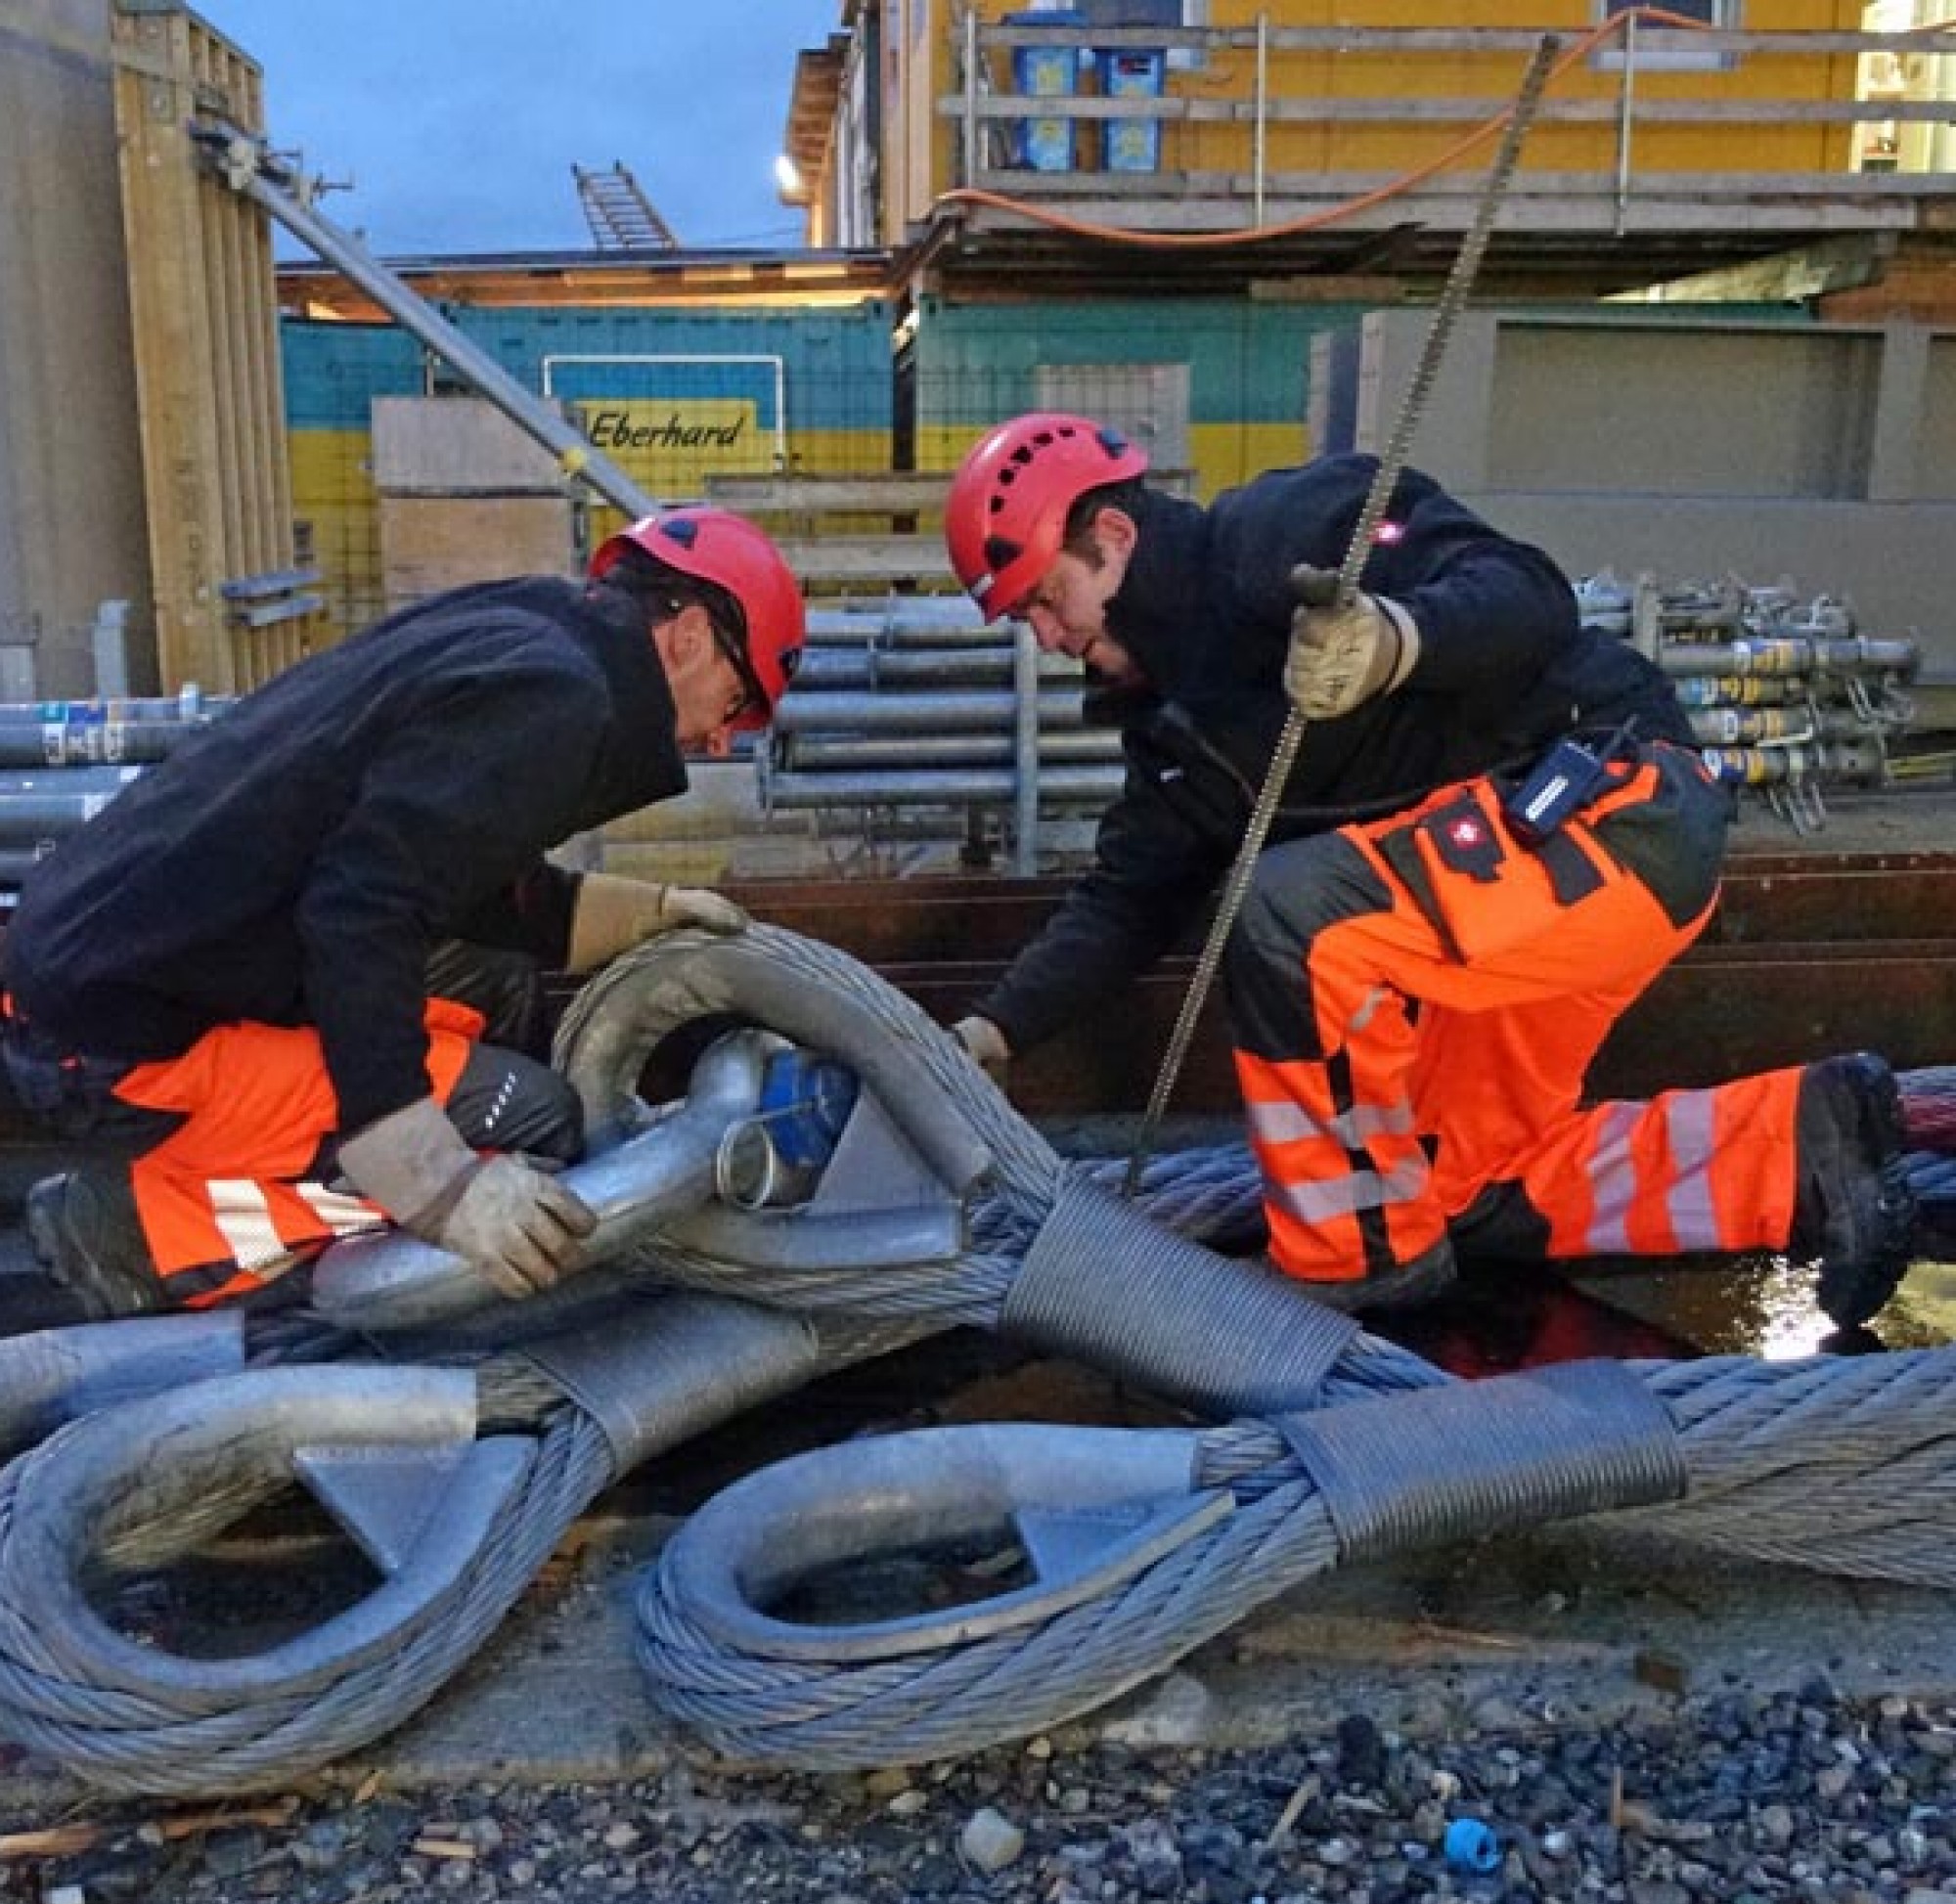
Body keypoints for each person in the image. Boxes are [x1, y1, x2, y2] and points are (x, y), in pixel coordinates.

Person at [942, 412, 1917, 1327]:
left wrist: (1392, 641)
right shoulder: (1177, 740)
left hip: (1611, 814)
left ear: (1109, 538)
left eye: (1042, 597)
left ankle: (1347, 1264)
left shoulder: (1283, 530)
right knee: (1461, 1187)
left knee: (1289, 919)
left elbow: (1526, 595)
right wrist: (990, 1030)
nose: (1046, 635)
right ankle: (1809, 1145)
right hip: (1501, 910)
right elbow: (1125, 900)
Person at [0, 507, 804, 1323]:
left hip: (107, 970)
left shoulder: (529, 635)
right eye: (735, 706)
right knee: (532, 1122)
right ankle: (141, 1235)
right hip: (120, 1052)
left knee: (494, 979)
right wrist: (433, 1176)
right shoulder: (561, 702)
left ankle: (279, 1168)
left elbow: (448, 867)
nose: (716, 744)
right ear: (691, 637)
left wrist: (647, 912)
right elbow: (360, 910)